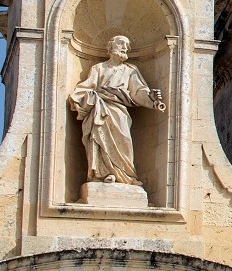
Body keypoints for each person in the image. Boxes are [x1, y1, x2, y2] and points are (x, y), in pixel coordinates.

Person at [68, 35, 164, 186]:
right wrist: (87, 97)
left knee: (123, 141)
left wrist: (151, 97)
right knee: (100, 140)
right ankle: (103, 173)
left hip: (119, 112)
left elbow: (138, 92)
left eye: (127, 45)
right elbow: (85, 89)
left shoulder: (130, 71)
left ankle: (125, 175)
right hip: (100, 110)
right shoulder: (98, 68)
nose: (125, 47)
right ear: (111, 46)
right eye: (121, 43)